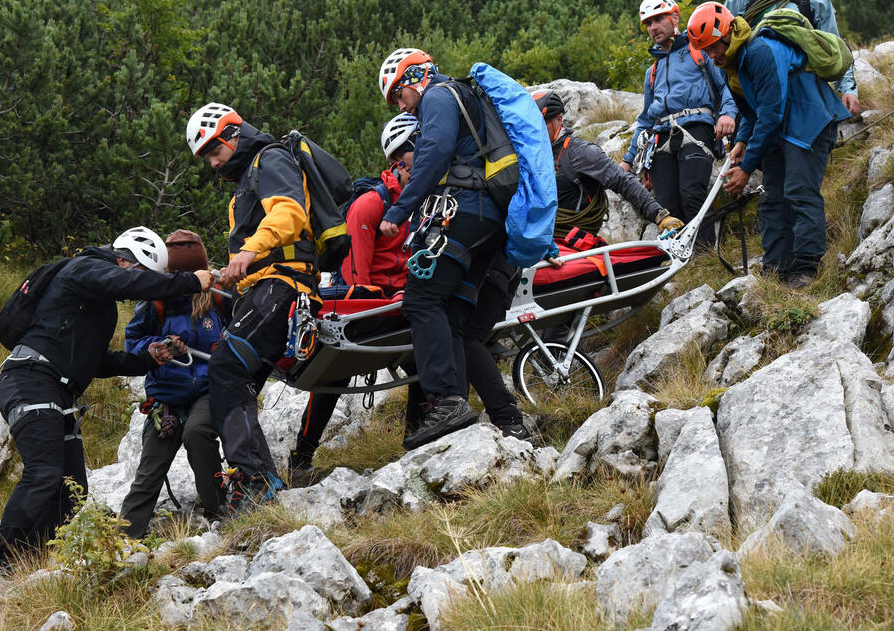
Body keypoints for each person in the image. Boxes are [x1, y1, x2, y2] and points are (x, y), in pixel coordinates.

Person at [0, 227, 212, 577]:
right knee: (44, 472)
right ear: (125, 262)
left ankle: (31, 564)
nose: (138, 289)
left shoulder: (98, 303)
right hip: (30, 381)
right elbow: (128, 284)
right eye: (142, 275)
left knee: (72, 488)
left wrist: (148, 358)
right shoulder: (84, 268)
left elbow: (97, 362)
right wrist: (190, 281)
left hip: (57, 390)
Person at [185, 102, 316, 512]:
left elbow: (290, 213)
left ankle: (257, 480)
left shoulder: (270, 159)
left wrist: (249, 251)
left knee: (226, 368)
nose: (212, 164)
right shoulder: (246, 180)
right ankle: (256, 480)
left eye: (214, 151)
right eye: (207, 157)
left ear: (233, 134)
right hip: (263, 288)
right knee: (230, 377)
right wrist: (233, 275)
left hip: (284, 285)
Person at [377, 48, 507, 450]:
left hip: (461, 210)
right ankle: (488, 416)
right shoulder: (460, 94)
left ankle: (447, 402)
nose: (401, 105)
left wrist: (399, 210)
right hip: (489, 221)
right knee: (450, 316)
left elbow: (434, 153)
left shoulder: (436, 95)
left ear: (414, 78)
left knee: (420, 300)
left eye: (399, 94)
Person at [287, 113, 416, 481]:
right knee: (332, 379)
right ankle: (302, 455)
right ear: (397, 163)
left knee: (421, 364)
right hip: (370, 301)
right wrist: (381, 301)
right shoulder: (370, 205)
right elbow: (358, 273)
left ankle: (416, 439)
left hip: (400, 298)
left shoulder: (419, 200)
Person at [686, 1, 851, 288]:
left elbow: (771, 112)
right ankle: (776, 268)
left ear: (727, 34)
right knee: (773, 198)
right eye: (706, 50)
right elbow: (753, 111)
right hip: (781, 131)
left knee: (799, 192)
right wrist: (742, 141)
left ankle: (805, 268)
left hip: (809, 122)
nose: (712, 55)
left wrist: (747, 167)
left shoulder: (759, 51)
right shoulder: (731, 64)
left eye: (713, 47)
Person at [119, 230, 226, 538]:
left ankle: (218, 513)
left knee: (197, 433)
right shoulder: (155, 302)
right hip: (166, 398)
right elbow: (132, 342)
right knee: (150, 470)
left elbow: (238, 334)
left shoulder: (219, 298)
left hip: (207, 390)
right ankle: (123, 539)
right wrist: (160, 345)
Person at [621, 0, 738, 248]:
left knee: (692, 195)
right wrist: (627, 161)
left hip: (696, 128)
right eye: (648, 23)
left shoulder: (700, 51)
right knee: (667, 207)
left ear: (675, 17)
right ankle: (676, 260)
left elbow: (726, 86)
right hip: (660, 136)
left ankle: (704, 259)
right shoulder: (652, 71)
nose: (653, 27)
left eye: (658, 19)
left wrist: (728, 113)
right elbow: (646, 118)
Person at [724, 0, 859, 117]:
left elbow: (835, 46)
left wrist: (848, 89)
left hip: (800, 88)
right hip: (753, 87)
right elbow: (721, 27)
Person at [534, 89, 682, 239]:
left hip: (568, 240)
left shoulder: (581, 153)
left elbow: (622, 180)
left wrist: (659, 214)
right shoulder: (530, 154)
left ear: (559, 119)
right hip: (535, 237)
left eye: (543, 123)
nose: (536, 130)